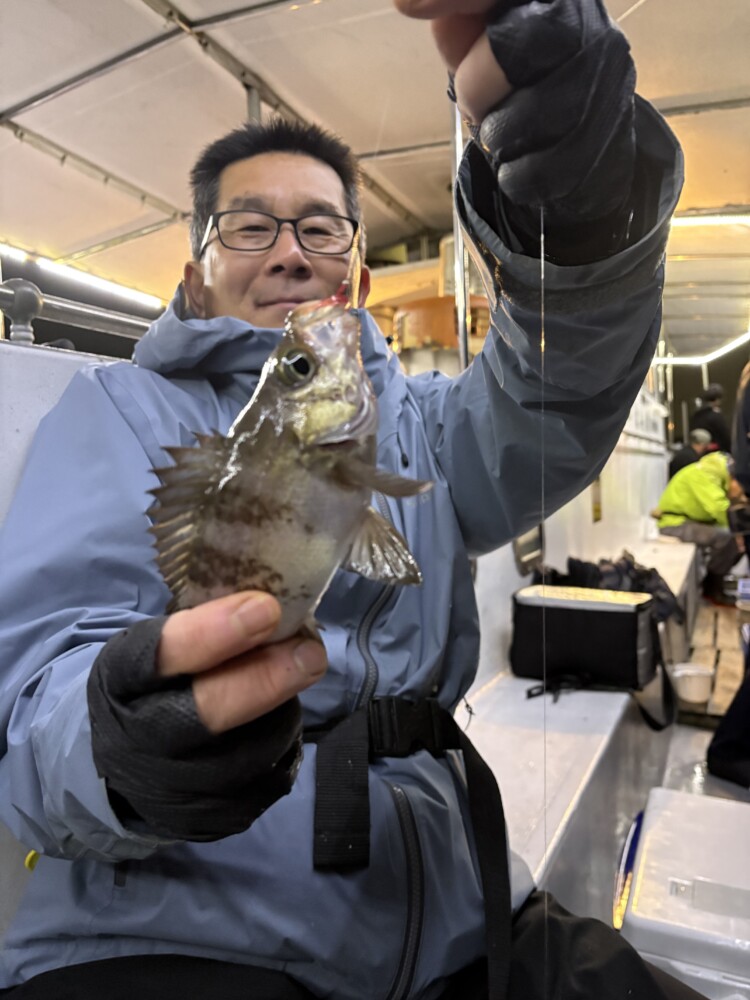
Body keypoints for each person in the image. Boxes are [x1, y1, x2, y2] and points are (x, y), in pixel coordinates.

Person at [0, 1, 700, 998]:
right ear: (192, 277)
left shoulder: (420, 423)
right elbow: (39, 700)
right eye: (249, 226)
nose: (290, 251)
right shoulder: (116, 407)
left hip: (460, 903)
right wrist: (123, 749)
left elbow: (559, 390)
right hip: (180, 919)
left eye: (321, 227)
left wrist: (584, 220)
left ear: (359, 277)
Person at [656, 452, 743, 605]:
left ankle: (715, 578)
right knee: (726, 537)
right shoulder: (703, 476)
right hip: (674, 524)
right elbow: (719, 508)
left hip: (688, 521)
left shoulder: (711, 474)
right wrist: (738, 531)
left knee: (731, 538)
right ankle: (712, 587)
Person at [689, 382, 732, 453]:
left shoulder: (695, 416)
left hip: (697, 452)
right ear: (718, 400)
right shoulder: (716, 417)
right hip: (715, 454)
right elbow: (725, 438)